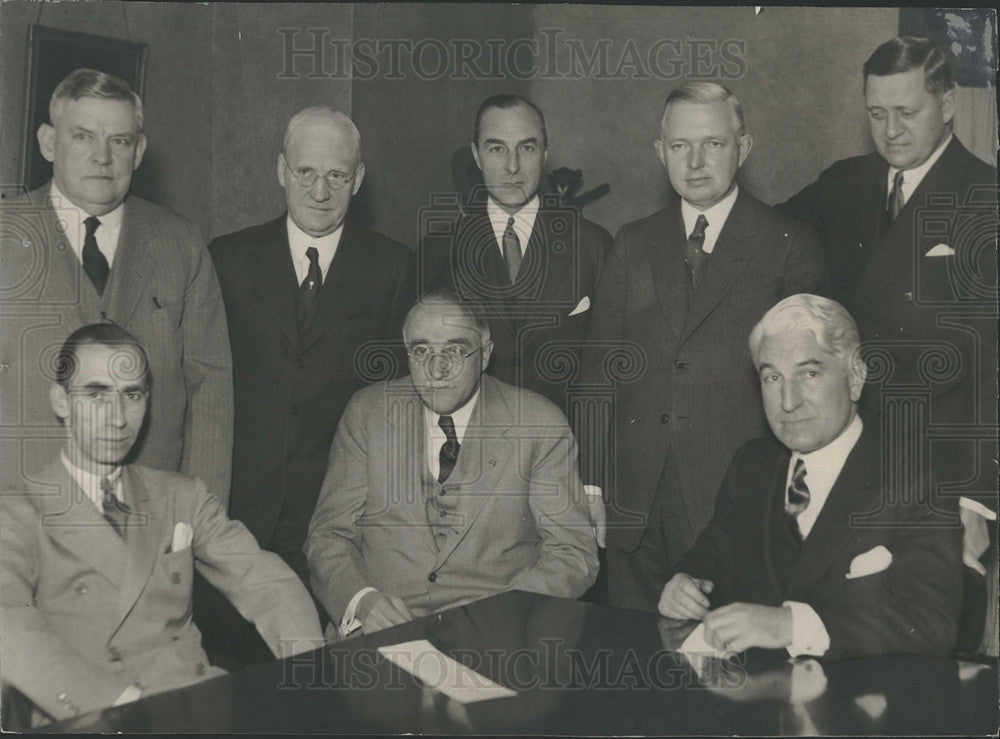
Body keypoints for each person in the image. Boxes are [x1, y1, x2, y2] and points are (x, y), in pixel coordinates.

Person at [778, 36, 997, 651]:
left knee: (926, 662)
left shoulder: (987, 199)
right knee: (833, 647)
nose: (891, 130)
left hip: (940, 480)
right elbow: (761, 236)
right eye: (877, 114)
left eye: (908, 112)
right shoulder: (844, 183)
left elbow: (994, 370)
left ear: (948, 104)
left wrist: (980, 502)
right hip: (848, 465)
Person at [580, 82, 829, 611]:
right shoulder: (632, 243)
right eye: (679, 146)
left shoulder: (789, 245)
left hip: (734, 515)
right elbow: (599, 372)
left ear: (744, 147)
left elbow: (810, 388)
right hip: (634, 515)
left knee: (725, 677)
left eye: (713, 144)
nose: (695, 161)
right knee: (633, 673)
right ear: (658, 152)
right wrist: (593, 488)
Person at [0, 324, 322, 725]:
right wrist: (124, 705)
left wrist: (312, 673)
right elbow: (8, 626)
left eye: (131, 395)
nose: (118, 418)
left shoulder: (181, 495)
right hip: (94, 715)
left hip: (195, 704)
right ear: (61, 401)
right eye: (97, 394)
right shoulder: (16, 511)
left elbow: (265, 581)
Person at [206, 106, 414, 662]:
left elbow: (396, 409)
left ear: (359, 178)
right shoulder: (225, 259)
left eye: (337, 176)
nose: (320, 191)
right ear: (280, 170)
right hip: (235, 521)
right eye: (306, 173)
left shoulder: (394, 268)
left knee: (322, 694)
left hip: (335, 530)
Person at [658, 294, 963, 660]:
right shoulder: (752, 464)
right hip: (754, 701)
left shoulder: (915, 475)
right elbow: (712, 559)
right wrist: (685, 584)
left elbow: (933, 623)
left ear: (855, 379)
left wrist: (791, 626)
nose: (788, 401)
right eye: (772, 377)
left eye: (810, 373)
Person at [306, 290, 597, 637]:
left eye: (455, 350)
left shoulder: (539, 422)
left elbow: (573, 554)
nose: (436, 369)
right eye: (422, 351)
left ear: (485, 354)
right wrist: (363, 601)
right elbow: (328, 537)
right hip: (377, 634)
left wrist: (501, 615)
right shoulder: (367, 413)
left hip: (496, 636)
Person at [0, 68, 232, 501]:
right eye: (83, 136)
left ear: (139, 151)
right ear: (49, 143)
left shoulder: (180, 243)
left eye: (119, 141)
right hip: (25, 524)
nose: (102, 157)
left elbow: (210, 393)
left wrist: (198, 518)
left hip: (150, 522)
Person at [419, 95, 613, 423]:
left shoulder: (592, 244)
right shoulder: (438, 251)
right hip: (468, 454)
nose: (512, 167)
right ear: (476, 156)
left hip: (562, 451)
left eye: (527, 148)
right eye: (496, 148)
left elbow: (607, 372)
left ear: (545, 154)